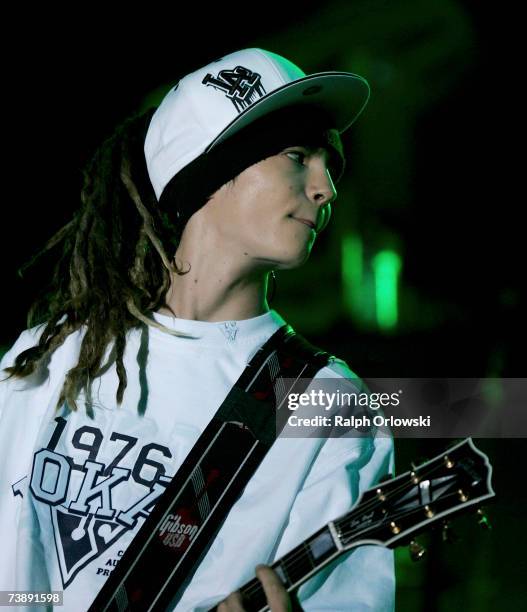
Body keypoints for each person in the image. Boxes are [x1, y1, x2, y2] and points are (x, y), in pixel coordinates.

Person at [0, 48, 395, 611]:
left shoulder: (326, 403)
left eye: (329, 166)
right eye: (297, 155)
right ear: (210, 167)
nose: (325, 188)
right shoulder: (52, 353)